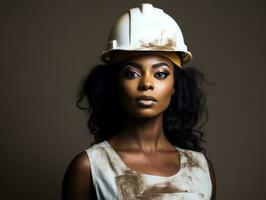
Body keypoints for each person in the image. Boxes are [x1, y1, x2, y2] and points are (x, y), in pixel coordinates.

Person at [62, 3, 216, 200]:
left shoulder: (201, 169)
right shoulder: (89, 167)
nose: (146, 84)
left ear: (174, 86)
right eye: (131, 73)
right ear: (116, 83)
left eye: (160, 74)